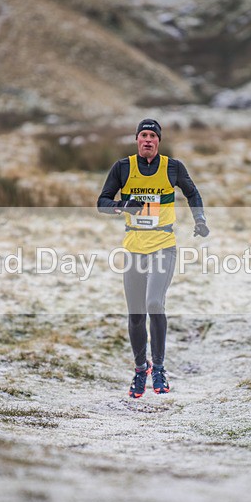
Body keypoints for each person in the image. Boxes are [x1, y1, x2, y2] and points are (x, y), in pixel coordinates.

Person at [97, 119, 209, 398]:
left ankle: (158, 367)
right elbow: (102, 202)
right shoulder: (123, 168)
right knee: (136, 315)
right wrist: (123, 205)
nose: (148, 140)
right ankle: (140, 369)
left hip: (163, 245)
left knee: (154, 303)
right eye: (143, 135)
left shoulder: (173, 167)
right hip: (134, 248)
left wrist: (200, 219)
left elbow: (192, 192)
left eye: (152, 136)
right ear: (137, 139)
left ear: (159, 141)